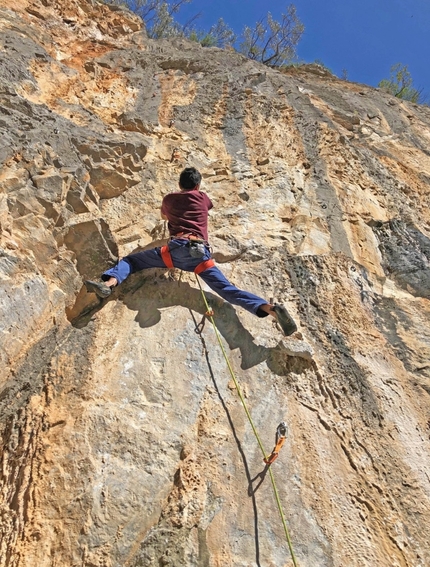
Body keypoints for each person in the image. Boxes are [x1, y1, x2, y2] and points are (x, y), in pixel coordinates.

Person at [85, 167, 297, 336]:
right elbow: (206, 206)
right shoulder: (203, 198)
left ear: (179, 184)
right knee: (227, 290)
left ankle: (108, 284)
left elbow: (163, 216)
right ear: (197, 185)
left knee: (132, 261)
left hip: (173, 252)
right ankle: (269, 309)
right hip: (199, 255)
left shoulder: (169, 199)